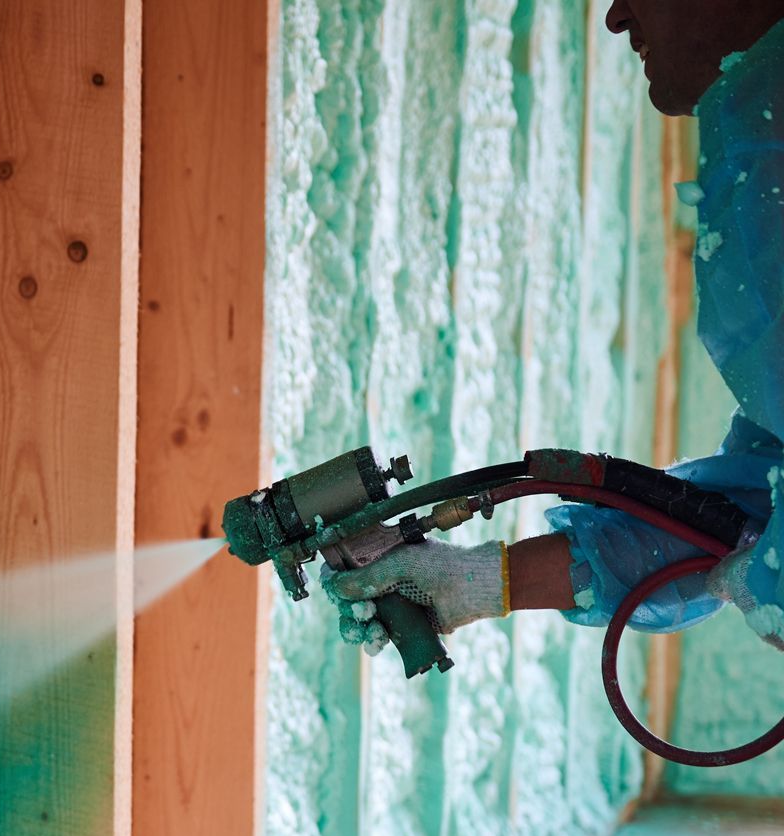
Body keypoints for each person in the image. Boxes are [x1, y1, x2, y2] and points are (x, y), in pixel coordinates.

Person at [330, 2, 784, 654]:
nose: (616, 17)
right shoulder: (758, 129)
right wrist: (479, 581)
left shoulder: (772, 144)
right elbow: (742, 510)